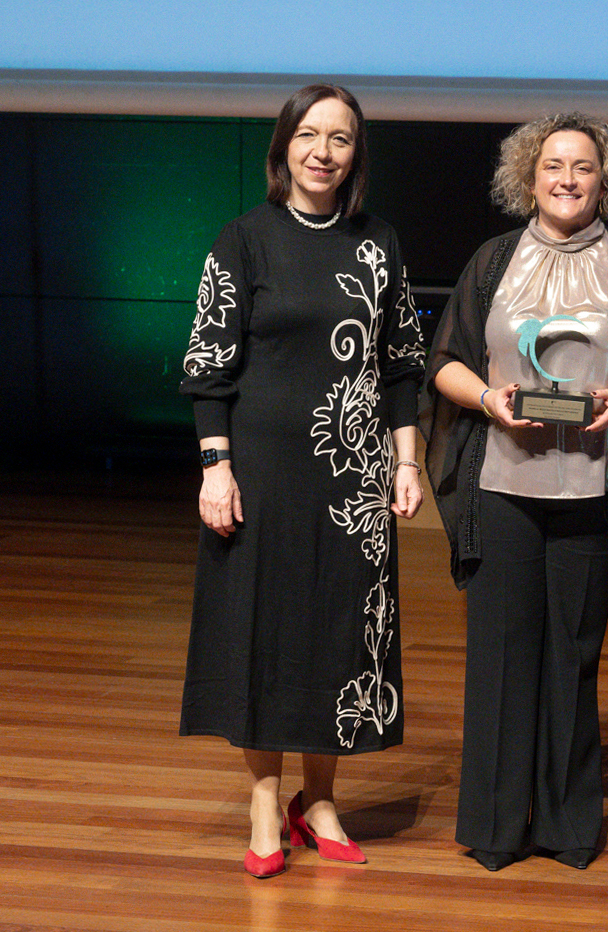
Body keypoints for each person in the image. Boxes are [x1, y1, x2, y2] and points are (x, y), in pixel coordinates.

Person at [422, 112, 608, 872]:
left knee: (572, 656)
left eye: (583, 168)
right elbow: (447, 361)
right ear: (527, 177)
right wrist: (488, 401)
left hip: (595, 490)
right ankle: (498, 828)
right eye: (553, 166)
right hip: (502, 487)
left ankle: (570, 826)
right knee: (500, 656)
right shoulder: (493, 260)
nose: (567, 179)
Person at [178, 84, 426, 877]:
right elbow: (208, 368)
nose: (324, 151)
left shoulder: (378, 242)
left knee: (343, 635)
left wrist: (408, 461)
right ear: (283, 146)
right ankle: (263, 799)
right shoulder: (243, 239)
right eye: (309, 134)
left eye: (341, 138)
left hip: (354, 483)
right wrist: (216, 469)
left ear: (357, 154)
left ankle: (319, 798)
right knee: (261, 632)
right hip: (260, 476)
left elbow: (402, 369)